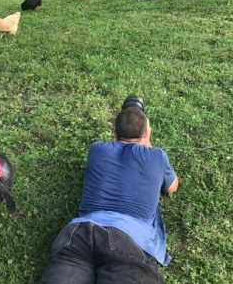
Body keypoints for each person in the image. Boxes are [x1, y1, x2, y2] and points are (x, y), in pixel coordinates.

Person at [41, 96, 178, 284]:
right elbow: (172, 187)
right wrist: (148, 142)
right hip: (127, 239)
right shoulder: (157, 156)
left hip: (79, 233)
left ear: (115, 130)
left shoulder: (97, 149)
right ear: (146, 132)